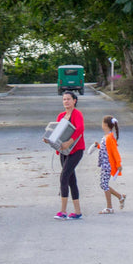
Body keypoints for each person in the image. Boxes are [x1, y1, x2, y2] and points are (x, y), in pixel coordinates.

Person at [47, 91, 85, 220]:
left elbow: (80, 129)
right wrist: (48, 139)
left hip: (76, 150)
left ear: (74, 101)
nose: (66, 101)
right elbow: (56, 133)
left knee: (64, 176)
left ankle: (63, 211)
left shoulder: (77, 114)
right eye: (64, 99)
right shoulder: (61, 115)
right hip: (63, 151)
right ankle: (77, 212)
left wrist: (69, 142)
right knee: (70, 179)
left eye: (69, 99)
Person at [92, 115, 126, 214]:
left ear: (105, 125)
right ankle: (120, 197)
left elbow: (115, 152)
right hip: (104, 164)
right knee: (103, 185)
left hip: (107, 165)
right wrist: (98, 145)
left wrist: (119, 164)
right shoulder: (107, 137)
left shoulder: (109, 138)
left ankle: (110, 207)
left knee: (104, 185)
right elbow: (105, 150)